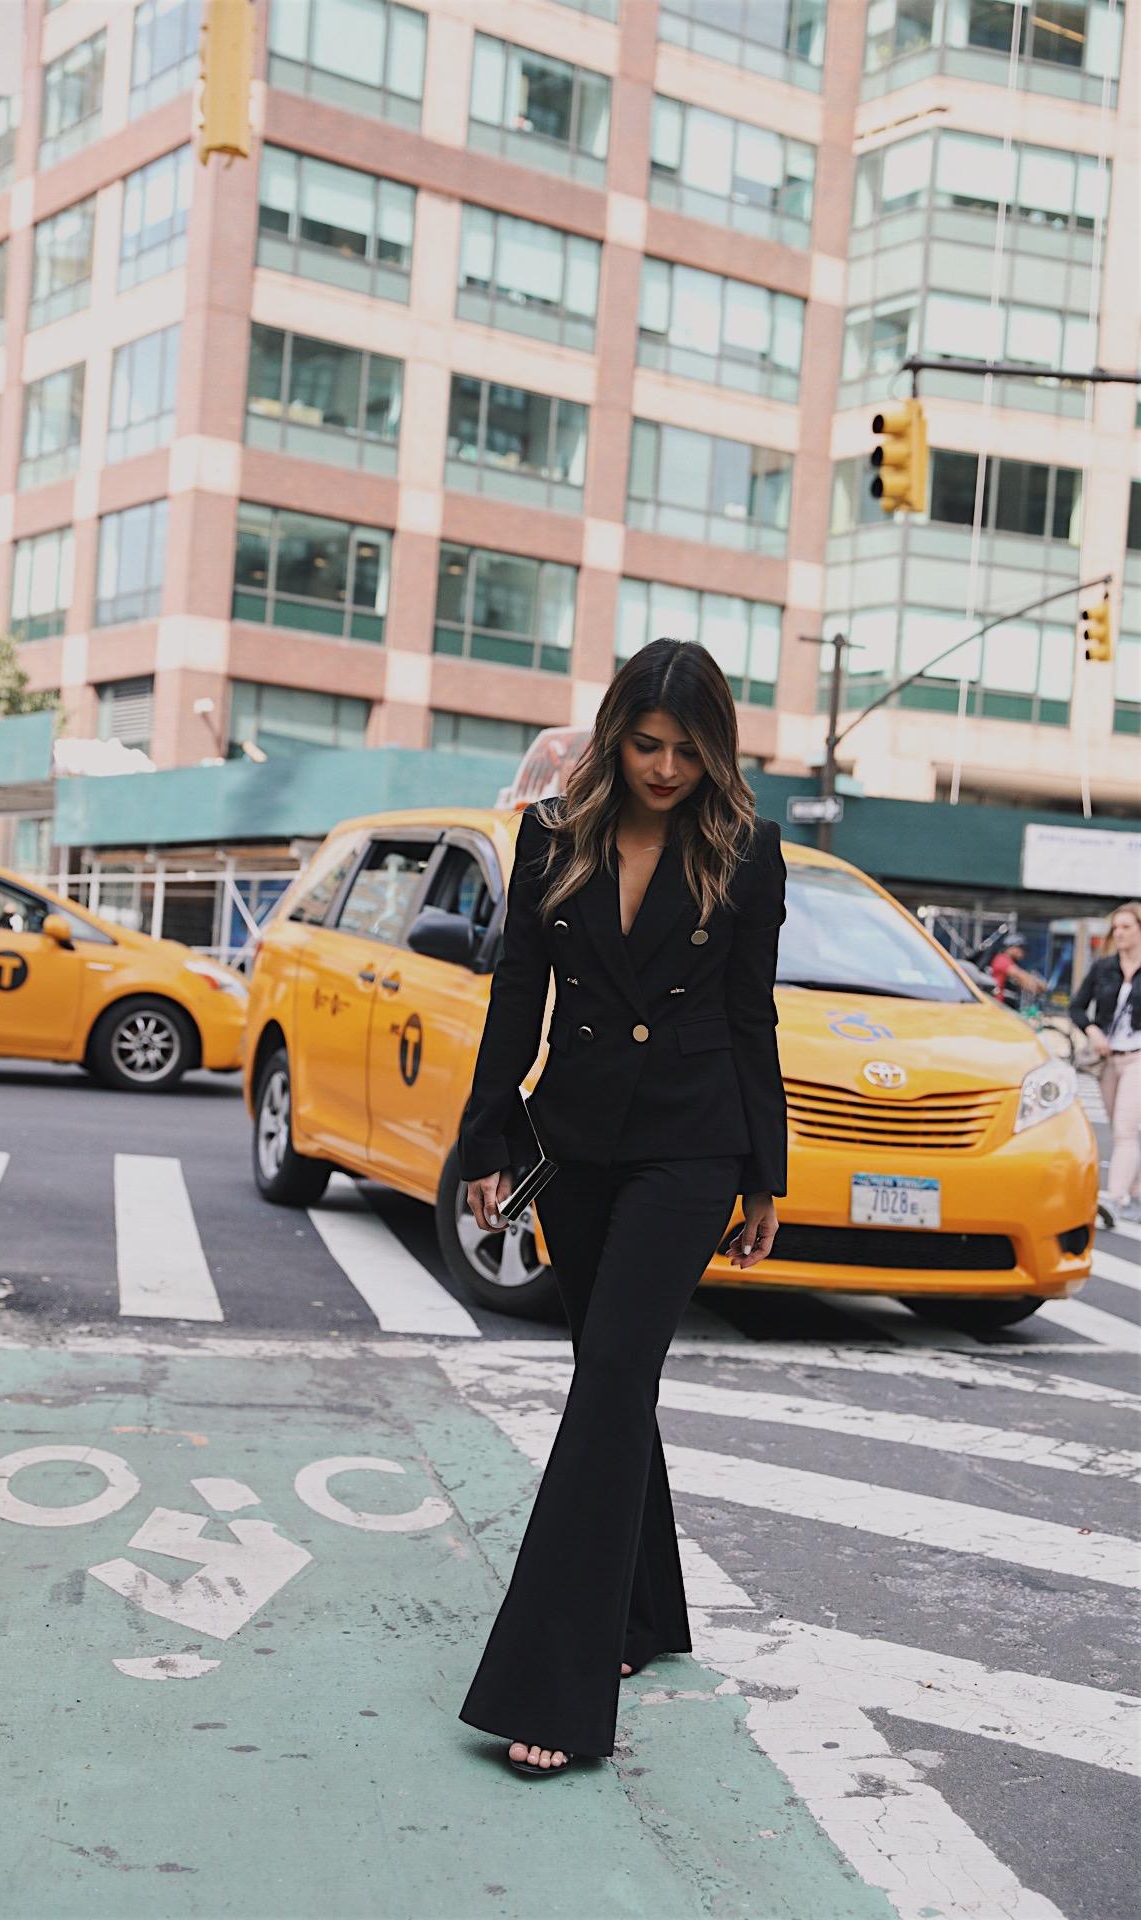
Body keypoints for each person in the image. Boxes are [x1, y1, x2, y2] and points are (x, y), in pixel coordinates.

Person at [455, 637, 787, 1778]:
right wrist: (483, 1137)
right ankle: (643, 1618)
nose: (663, 769)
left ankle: (551, 1680)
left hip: (690, 1154)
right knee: (611, 1374)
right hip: (577, 1143)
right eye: (645, 745)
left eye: (686, 751)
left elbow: (751, 1020)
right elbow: (515, 995)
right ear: (611, 738)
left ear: (715, 751)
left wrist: (763, 1175)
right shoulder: (550, 834)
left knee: (602, 1390)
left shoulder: (746, 851)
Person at [1069, 901, 1141, 1219]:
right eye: (1117, 927)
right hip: (1108, 1059)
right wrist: (1093, 1030)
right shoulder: (1104, 967)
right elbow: (1077, 1006)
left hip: (1138, 1057)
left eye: (1127, 927)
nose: (1120, 933)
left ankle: (1113, 1197)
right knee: (1120, 1127)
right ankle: (1137, 1193)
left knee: (1127, 1128)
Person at [989, 935, 1044, 1009]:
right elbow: (1023, 978)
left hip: (1004, 1006)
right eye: (1020, 947)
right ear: (1010, 947)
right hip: (997, 1006)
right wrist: (1038, 984)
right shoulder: (1002, 959)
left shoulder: (1012, 962)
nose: (1023, 951)